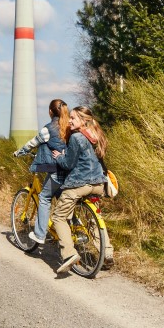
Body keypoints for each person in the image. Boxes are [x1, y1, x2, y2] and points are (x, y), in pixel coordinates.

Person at [48, 107, 108, 276]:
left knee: (58, 217)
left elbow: (68, 164)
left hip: (80, 183)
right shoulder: (96, 135)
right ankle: (107, 253)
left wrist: (59, 156)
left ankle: (69, 254)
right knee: (94, 217)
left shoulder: (77, 137)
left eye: (73, 118)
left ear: (83, 120)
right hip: (98, 183)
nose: (70, 121)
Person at [26, 98, 69, 249]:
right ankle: (72, 228)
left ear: (50, 112)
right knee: (65, 201)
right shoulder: (70, 126)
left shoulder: (48, 128)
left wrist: (19, 152)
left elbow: (33, 142)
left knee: (44, 197)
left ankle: (40, 234)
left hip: (58, 171)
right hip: (71, 171)